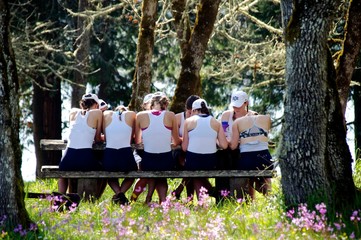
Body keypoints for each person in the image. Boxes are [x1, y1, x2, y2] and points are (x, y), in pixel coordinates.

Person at [134, 94, 181, 204]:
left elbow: (137, 142)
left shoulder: (140, 115)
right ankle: (163, 201)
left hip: (148, 161)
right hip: (166, 161)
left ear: (151, 104)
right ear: (165, 104)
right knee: (161, 176)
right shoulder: (171, 115)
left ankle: (148, 197)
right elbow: (176, 141)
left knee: (152, 170)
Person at [182, 99, 228, 199]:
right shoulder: (216, 122)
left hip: (193, 161)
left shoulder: (188, 122)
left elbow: (184, 148)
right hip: (210, 162)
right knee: (198, 173)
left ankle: (203, 201)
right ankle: (206, 197)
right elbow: (224, 145)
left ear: (194, 111)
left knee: (195, 171)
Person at [58, 93, 103, 194]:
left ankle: (60, 198)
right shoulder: (97, 113)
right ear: (96, 104)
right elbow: (97, 139)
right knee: (103, 169)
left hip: (68, 158)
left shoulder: (73, 112)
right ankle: (94, 198)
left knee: (63, 174)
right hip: (84, 158)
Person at [218, 90, 257, 199]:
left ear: (246, 103)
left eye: (239, 105)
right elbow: (223, 133)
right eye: (234, 105)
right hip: (228, 150)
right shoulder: (226, 115)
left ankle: (247, 198)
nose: (236, 108)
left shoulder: (253, 116)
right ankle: (223, 196)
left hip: (245, 150)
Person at [229, 114, 273, 200]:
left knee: (247, 172)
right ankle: (270, 198)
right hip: (265, 158)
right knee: (266, 175)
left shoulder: (237, 122)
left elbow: (233, 146)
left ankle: (249, 200)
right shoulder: (267, 118)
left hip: (247, 160)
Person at [102, 105, 137, 205]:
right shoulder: (131, 116)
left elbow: (105, 139)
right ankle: (121, 194)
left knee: (110, 175)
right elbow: (131, 138)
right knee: (132, 174)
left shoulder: (106, 116)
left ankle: (118, 194)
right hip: (125, 155)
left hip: (110, 155)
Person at [172, 95, 200, 200]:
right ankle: (188, 197)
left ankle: (183, 193)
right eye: (189, 112)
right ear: (186, 109)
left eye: (194, 112)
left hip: (194, 151)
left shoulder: (200, 119)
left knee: (192, 164)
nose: (191, 114)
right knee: (189, 165)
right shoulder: (178, 118)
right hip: (179, 152)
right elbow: (173, 138)